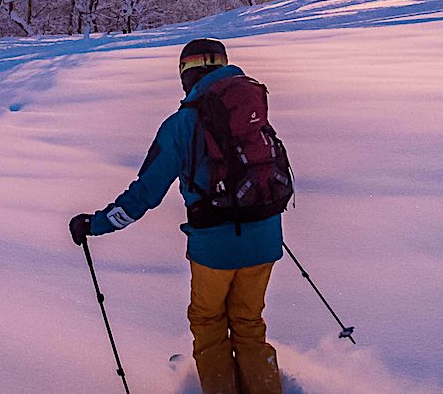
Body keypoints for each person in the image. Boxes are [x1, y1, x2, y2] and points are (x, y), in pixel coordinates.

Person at [69, 38, 284, 394]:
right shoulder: (251, 109)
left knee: (209, 322)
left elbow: (144, 195)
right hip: (265, 238)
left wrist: (95, 224)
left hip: (213, 248)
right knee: (248, 323)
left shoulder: (182, 124)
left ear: (187, 75)